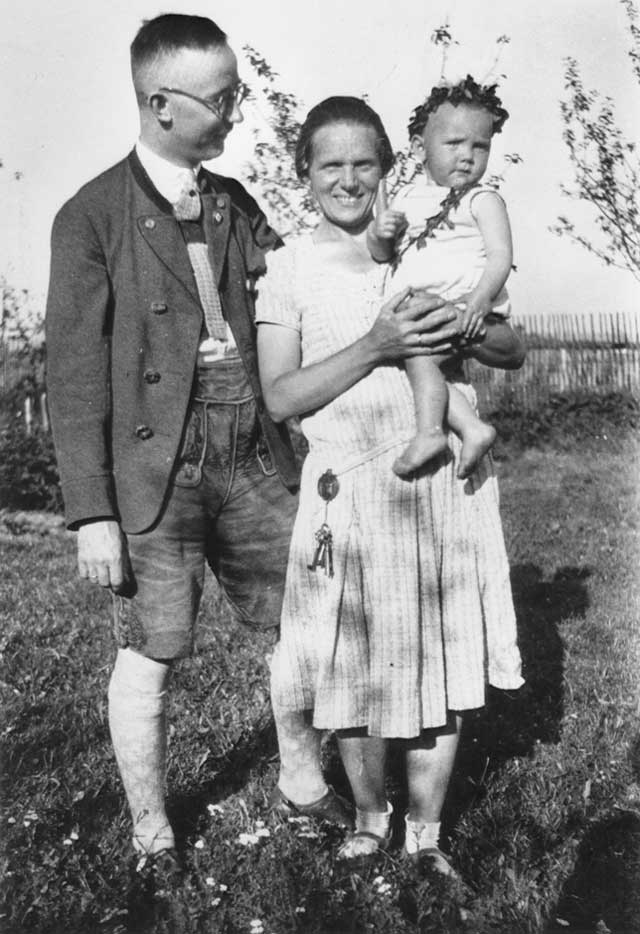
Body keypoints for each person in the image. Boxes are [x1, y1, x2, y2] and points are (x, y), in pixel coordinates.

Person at [45, 15, 456, 869]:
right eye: (221, 97)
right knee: (153, 643)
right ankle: (151, 825)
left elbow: (311, 275)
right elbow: (76, 375)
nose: (236, 110)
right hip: (155, 469)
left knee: (298, 625)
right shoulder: (89, 216)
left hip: (256, 453)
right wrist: (92, 512)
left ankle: (303, 782)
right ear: (161, 103)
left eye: (236, 91)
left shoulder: (234, 202)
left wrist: (388, 244)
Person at [256, 96, 524, 873]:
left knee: (444, 654)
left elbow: (509, 347)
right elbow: (281, 397)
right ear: (302, 171)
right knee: (349, 664)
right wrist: (378, 344)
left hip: (441, 475)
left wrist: (469, 322)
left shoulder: (429, 244)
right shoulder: (288, 269)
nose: (348, 180)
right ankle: (371, 819)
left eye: (364, 164)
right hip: (348, 484)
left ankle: (428, 835)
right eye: (330, 165)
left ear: (387, 168)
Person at [367, 75, 513, 480]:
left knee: (420, 360)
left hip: (465, 306)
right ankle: (472, 427)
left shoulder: (482, 200)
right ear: (418, 148)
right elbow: (383, 256)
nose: (467, 156)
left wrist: (479, 303)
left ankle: (431, 433)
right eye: (454, 144)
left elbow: (501, 258)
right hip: (426, 308)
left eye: (479, 145)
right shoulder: (408, 199)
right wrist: (380, 235)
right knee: (423, 365)